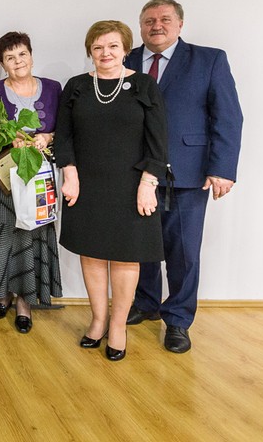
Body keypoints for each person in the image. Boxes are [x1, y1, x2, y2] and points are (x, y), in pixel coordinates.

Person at [125, 0, 243, 353]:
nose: (156, 26)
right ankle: (145, 304)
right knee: (140, 245)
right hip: (134, 171)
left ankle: (177, 319)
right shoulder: (124, 59)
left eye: (164, 19)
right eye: (148, 21)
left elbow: (228, 116)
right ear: (141, 26)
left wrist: (222, 168)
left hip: (188, 172)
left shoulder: (210, 60)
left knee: (184, 251)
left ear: (179, 24)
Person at [55, 20, 168, 361]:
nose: (105, 53)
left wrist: (148, 184)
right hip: (85, 184)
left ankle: (118, 325)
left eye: (113, 46)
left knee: (124, 256)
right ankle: (98, 320)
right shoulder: (76, 87)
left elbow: (158, 142)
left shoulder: (144, 85)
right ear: (90, 51)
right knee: (90, 254)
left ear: (125, 49)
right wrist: (70, 175)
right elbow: (64, 137)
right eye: (98, 47)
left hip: (131, 186)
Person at [0, 32, 62, 334]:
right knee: (1, 237)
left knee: (29, 238)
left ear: (31, 56)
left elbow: (68, 131)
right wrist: (7, 136)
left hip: (37, 182)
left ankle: (25, 303)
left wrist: (48, 137)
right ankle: (2, 296)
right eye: (10, 57)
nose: (17, 61)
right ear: (2, 63)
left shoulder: (55, 89)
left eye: (22, 54)